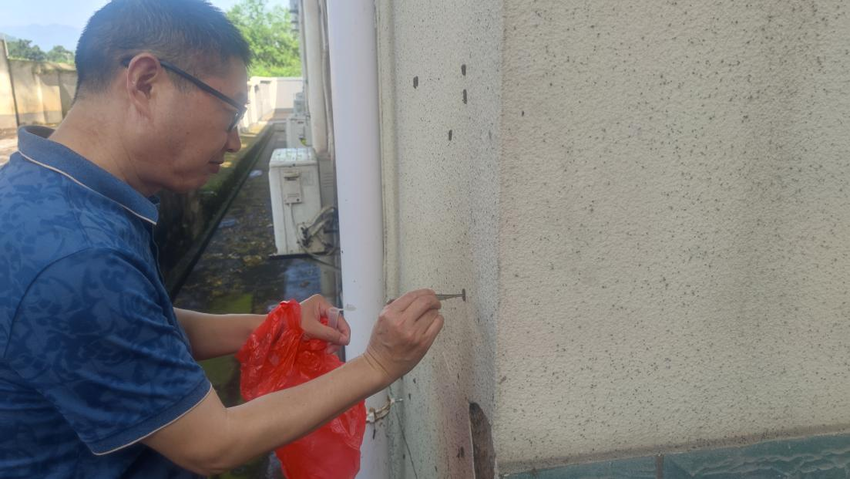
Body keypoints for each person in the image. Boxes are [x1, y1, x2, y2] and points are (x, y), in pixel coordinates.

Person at [0, 0, 444, 477]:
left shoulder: (48, 192)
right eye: (231, 115)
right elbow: (212, 443)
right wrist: (377, 364)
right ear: (146, 82)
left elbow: (147, 324)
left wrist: (282, 325)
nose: (233, 142)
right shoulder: (78, 255)